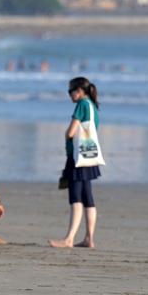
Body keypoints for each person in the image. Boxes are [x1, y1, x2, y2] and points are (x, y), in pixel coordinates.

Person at [50, 77, 101, 248]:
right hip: (89, 156)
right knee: (88, 198)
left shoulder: (82, 105)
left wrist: (66, 135)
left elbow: (71, 132)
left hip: (77, 157)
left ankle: (69, 239)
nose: (70, 95)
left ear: (79, 90)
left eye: (70, 91)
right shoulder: (93, 106)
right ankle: (89, 238)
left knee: (76, 197)